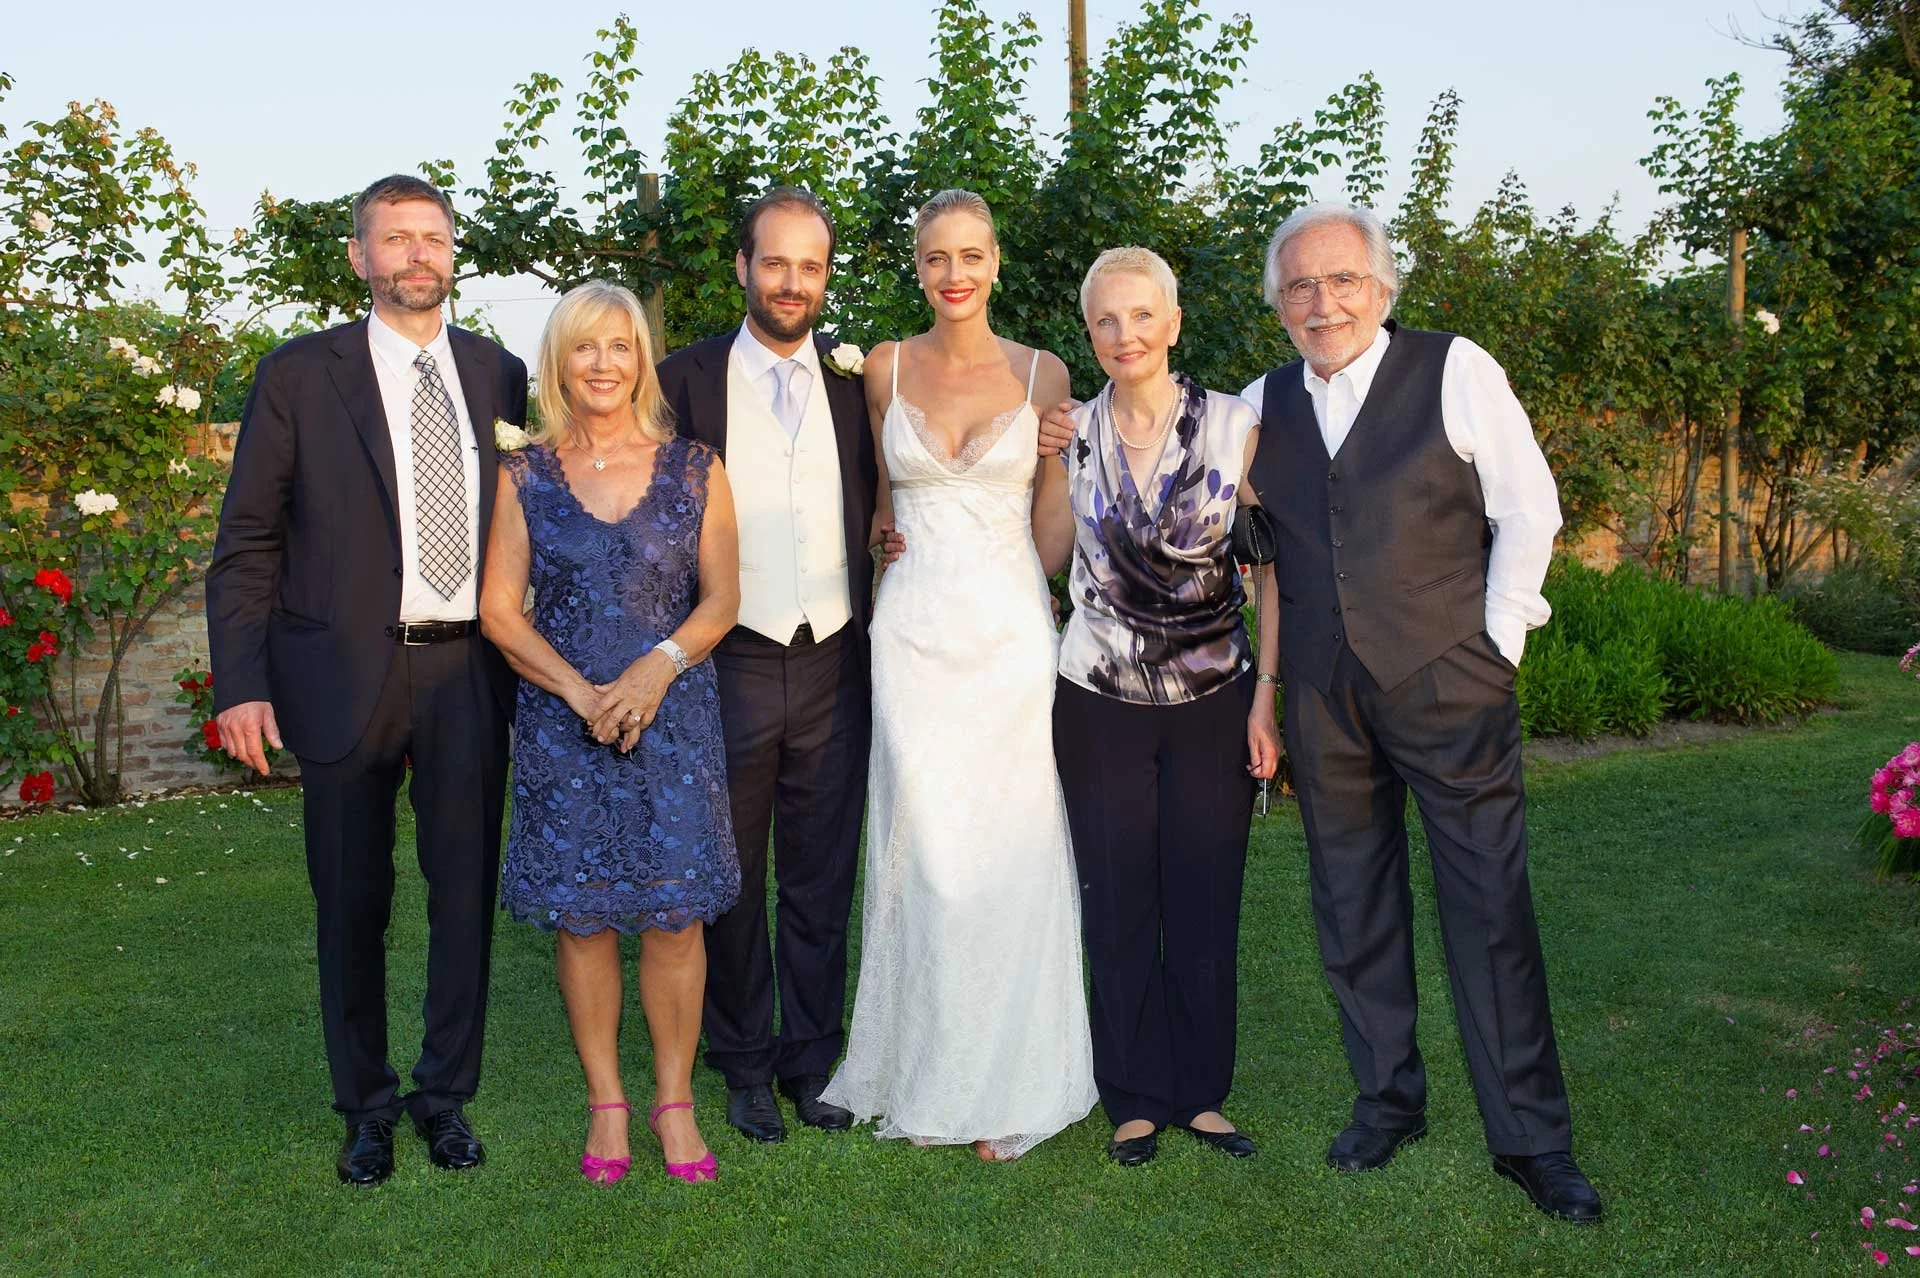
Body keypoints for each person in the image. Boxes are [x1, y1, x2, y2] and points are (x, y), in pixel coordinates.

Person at [1240, 202, 1602, 1223]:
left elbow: (1528, 506)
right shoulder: (1258, 403)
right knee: (1352, 907)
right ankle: (1387, 1101)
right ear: (1278, 305)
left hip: (1450, 679)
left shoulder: (1454, 367)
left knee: (1487, 910)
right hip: (1322, 691)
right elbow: (1165, 455)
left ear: (1383, 289)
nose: (1325, 302)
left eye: (1344, 280)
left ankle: (1532, 1141)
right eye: (1302, 286)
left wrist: (1497, 641)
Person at [206, 174, 526, 1187]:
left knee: (464, 891)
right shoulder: (301, 376)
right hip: (343, 672)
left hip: (469, 670)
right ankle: (366, 1107)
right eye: (395, 240)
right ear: (359, 257)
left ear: (452, 252)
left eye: (432, 238)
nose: (417, 256)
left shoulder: (501, 373)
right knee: (351, 898)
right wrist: (240, 683)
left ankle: (444, 1098)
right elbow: (248, 541)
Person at [818, 190, 1097, 1161]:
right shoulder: (885, 368)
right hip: (911, 636)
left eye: (971, 254)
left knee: (1008, 851)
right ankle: (925, 1064)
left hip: (1009, 637)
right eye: (937, 257)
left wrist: (1076, 458)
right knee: (927, 852)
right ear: (919, 265)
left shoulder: (1041, 371)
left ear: (997, 260)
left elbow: (1050, 537)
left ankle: (1016, 1081)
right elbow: (878, 503)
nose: (954, 273)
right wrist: (873, 535)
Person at [479, 281, 741, 1185]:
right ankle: (607, 1104)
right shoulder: (526, 475)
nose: (603, 365)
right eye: (584, 348)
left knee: (675, 919)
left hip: (674, 720)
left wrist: (654, 668)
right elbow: (500, 614)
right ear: (559, 362)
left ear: (642, 360)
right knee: (583, 919)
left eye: (620, 347)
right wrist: (583, 695)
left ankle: (674, 1102)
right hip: (563, 728)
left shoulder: (696, 467)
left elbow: (723, 599)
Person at [655, 187, 887, 1144]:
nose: (795, 283)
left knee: (822, 873)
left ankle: (813, 1059)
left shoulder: (860, 383)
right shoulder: (682, 381)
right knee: (734, 872)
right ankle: (744, 1062)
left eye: (812, 266)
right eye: (777, 263)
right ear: (743, 269)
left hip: (836, 652)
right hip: (729, 658)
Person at [1043, 246, 1280, 1168]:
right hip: (1097, 699)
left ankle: (1201, 1093)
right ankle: (1135, 1095)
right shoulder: (1073, 433)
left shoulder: (1235, 428)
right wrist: (1040, 464)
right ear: (1090, 332)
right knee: (1118, 896)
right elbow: (1046, 553)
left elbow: (1270, 577)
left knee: (1205, 893)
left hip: (1215, 698)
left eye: (1142, 316)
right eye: (1106, 319)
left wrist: (1268, 697)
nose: (1124, 334)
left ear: (1172, 324)